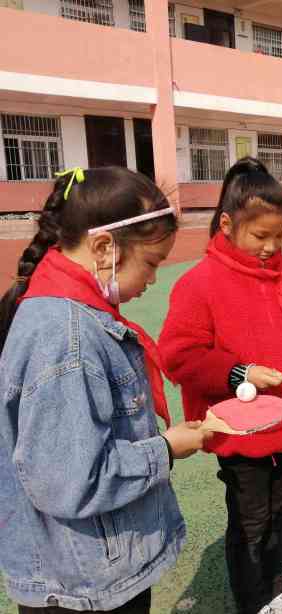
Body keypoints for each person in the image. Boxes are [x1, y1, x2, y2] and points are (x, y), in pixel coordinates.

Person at [0, 167, 210, 613]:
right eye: (151, 263)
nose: (152, 279)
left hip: (85, 571)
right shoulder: (66, 336)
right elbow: (69, 482)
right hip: (82, 585)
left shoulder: (67, 312)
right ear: (103, 248)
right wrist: (166, 449)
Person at [158, 158, 282, 614]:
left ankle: (273, 594)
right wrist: (241, 372)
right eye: (261, 236)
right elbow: (178, 355)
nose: (271, 247)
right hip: (242, 432)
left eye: (280, 236)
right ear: (226, 224)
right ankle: (253, 602)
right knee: (250, 522)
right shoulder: (200, 282)